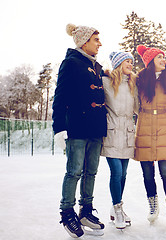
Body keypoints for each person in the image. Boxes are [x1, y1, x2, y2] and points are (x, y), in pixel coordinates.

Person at [52, 23, 107, 238]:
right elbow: (60, 97)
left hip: (95, 128)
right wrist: (59, 128)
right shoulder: (71, 63)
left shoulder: (97, 66)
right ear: (84, 42)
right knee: (74, 172)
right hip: (77, 128)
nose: (99, 43)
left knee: (91, 172)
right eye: (96, 40)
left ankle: (86, 211)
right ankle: (67, 213)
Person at [134, 45, 166, 229]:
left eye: (163, 57)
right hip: (144, 125)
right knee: (147, 172)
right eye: (159, 57)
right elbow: (134, 101)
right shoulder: (140, 79)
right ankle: (153, 205)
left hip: (164, 127)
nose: (163, 60)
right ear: (150, 61)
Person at [100, 51, 139, 229]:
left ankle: (116, 206)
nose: (130, 64)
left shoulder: (133, 85)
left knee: (123, 174)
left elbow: (138, 108)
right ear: (118, 64)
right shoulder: (106, 82)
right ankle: (118, 209)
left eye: (131, 61)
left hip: (128, 134)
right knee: (116, 172)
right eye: (127, 61)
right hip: (112, 133)